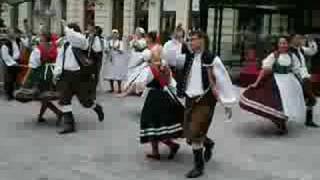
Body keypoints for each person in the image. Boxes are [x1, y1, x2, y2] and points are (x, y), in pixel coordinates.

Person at [176, 31, 235, 178]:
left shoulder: (212, 59)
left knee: (195, 132)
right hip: (190, 99)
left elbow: (223, 81)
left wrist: (227, 103)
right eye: (189, 40)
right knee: (189, 133)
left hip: (205, 100)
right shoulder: (189, 57)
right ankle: (208, 143)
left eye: (193, 39)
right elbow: (176, 66)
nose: (190, 42)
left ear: (202, 40)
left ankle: (199, 167)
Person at [240, 36, 306, 134]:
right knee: (277, 103)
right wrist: (256, 83)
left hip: (290, 82)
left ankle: (282, 122)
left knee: (288, 103)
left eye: (285, 43)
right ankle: (280, 124)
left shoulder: (292, 56)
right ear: (277, 45)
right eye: (281, 43)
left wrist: (301, 82)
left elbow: (296, 70)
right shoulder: (274, 55)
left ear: (288, 45)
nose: (283, 45)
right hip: (277, 82)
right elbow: (265, 70)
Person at [53, 21, 104, 134]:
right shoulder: (65, 44)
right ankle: (69, 125)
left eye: (69, 31)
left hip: (79, 76)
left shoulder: (81, 41)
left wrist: (66, 27)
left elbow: (73, 36)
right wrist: (56, 74)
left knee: (85, 101)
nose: (66, 33)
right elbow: (60, 60)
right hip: (66, 75)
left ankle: (97, 108)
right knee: (64, 100)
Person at [139, 31, 183, 160]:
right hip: (164, 95)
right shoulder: (164, 66)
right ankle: (164, 147)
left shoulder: (152, 68)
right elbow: (169, 81)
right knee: (161, 124)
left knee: (150, 122)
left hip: (154, 96)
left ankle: (163, 148)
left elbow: (144, 83)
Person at [20, 32, 62, 123]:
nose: (39, 39)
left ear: (43, 39)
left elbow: (32, 66)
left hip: (42, 75)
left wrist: (25, 78)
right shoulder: (56, 48)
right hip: (53, 73)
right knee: (45, 96)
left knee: (42, 96)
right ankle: (43, 115)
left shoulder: (38, 50)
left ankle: (57, 112)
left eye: (40, 38)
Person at [289, 34, 319, 127]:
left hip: (305, 78)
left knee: (310, 99)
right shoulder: (288, 51)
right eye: (298, 39)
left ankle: (308, 120)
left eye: (301, 39)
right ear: (293, 40)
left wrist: (311, 41)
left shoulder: (301, 49)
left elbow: (313, 51)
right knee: (310, 99)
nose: (301, 40)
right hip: (295, 78)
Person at [122, 27, 148, 96]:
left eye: (137, 32)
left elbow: (140, 47)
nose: (136, 34)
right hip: (132, 59)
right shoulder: (134, 40)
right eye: (136, 32)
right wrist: (127, 40)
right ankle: (131, 89)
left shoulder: (144, 40)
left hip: (139, 59)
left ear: (141, 34)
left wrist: (135, 40)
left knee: (138, 75)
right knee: (130, 74)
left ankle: (138, 90)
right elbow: (128, 46)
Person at [104, 29, 127, 93]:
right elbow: (106, 50)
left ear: (117, 35)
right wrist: (107, 50)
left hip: (118, 59)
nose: (114, 35)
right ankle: (112, 88)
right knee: (110, 73)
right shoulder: (109, 42)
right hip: (110, 58)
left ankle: (119, 88)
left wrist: (116, 49)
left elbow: (122, 51)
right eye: (113, 34)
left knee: (118, 73)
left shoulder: (120, 42)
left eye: (115, 34)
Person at [0, 28, 21, 100]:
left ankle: (14, 93)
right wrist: (13, 62)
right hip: (10, 63)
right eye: (12, 33)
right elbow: (5, 56)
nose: (14, 34)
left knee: (15, 78)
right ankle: (9, 94)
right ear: (8, 34)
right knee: (9, 79)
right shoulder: (5, 44)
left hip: (17, 62)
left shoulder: (17, 41)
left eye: (14, 33)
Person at [86, 25, 106, 90]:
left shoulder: (102, 39)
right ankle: (90, 84)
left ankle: (95, 85)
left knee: (97, 71)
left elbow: (104, 47)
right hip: (92, 55)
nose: (96, 32)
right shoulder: (90, 37)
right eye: (95, 30)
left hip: (99, 55)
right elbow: (87, 45)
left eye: (97, 31)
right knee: (91, 70)